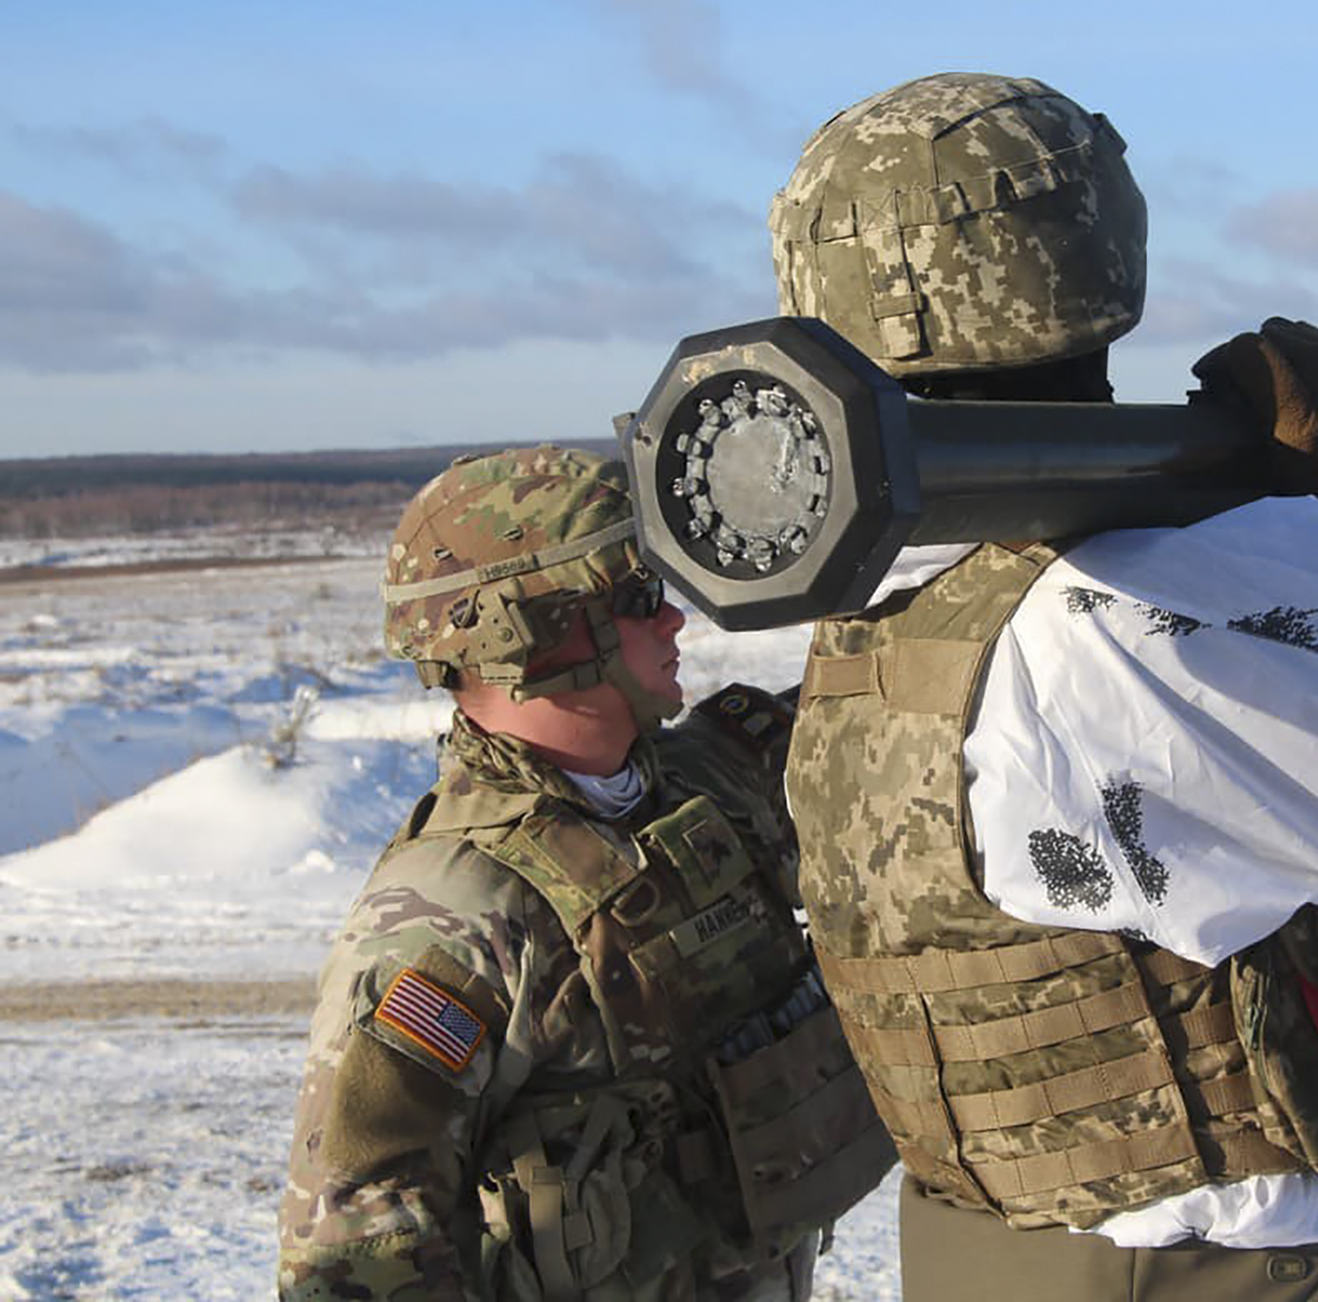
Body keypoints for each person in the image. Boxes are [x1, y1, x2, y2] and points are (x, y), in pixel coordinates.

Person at [769, 73, 1318, 1300]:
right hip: (1199, 1271)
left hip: (987, 1258)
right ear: (1092, 249)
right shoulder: (1125, 610)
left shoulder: (888, 598)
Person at [277, 445, 892, 1301]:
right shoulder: (452, 915)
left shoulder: (709, 784)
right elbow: (355, 1251)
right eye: (640, 600)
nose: (674, 621)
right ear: (531, 635)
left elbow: (891, 713)